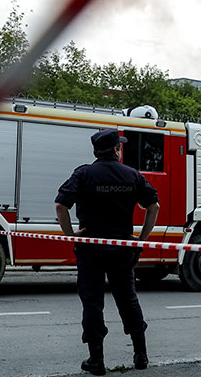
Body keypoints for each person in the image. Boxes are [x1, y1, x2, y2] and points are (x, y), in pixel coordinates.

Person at [55, 128, 160, 376]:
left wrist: (70, 235)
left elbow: (61, 205)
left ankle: (96, 360)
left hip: (90, 249)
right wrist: (141, 240)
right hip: (122, 250)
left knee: (92, 303)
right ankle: (141, 355)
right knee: (128, 300)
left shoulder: (83, 173)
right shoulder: (132, 175)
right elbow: (153, 206)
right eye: (120, 146)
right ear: (116, 149)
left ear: (95, 151)